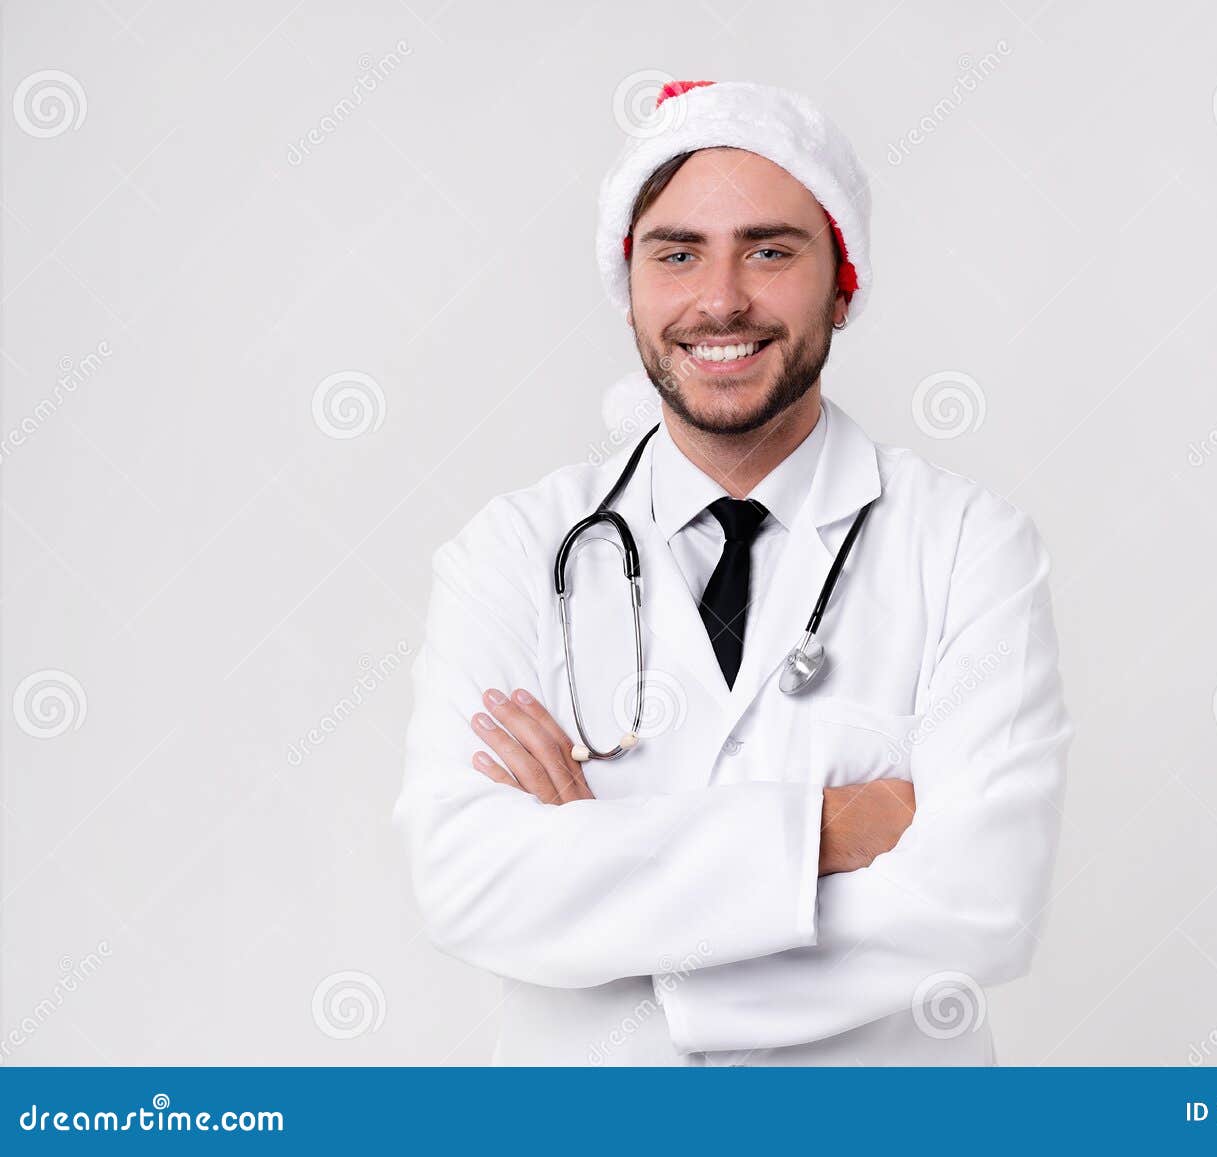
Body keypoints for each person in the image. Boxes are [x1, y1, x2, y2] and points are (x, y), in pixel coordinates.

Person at [393, 79, 1074, 1065]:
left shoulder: (970, 546)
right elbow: (464, 878)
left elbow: (982, 900)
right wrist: (830, 827)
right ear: (629, 287)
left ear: (842, 283)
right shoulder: (511, 550)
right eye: (676, 254)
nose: (721, 298)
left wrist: (605, 884)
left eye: (770, 249)